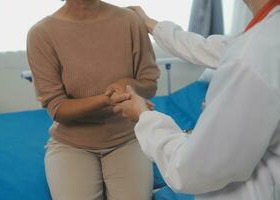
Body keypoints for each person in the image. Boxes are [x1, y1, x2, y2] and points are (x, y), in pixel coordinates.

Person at [114, 0, 280, 199]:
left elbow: (189, 170)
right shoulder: (266, 34)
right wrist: (153, 25)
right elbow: (214, 47)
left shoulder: (250, 58)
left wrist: (144, 116)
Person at [26, 0, 160, 199]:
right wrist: (106, 99)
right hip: (72, 145)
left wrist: (127, 83)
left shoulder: (129, 21)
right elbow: (57, 109)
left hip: (127, 139)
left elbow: (149, 84)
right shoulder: (41, 34)